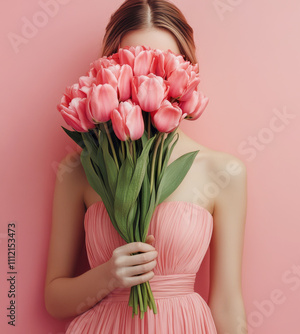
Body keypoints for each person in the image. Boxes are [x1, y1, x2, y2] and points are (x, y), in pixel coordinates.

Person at [44, 1, 248, 333]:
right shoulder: (79, 168)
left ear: (188, 69)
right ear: (112, 70)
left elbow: (227, 304)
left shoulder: (224, 172)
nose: (147, 79)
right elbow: (55, 301)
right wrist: (107, 276)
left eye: (163, 63)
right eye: (135, 61)